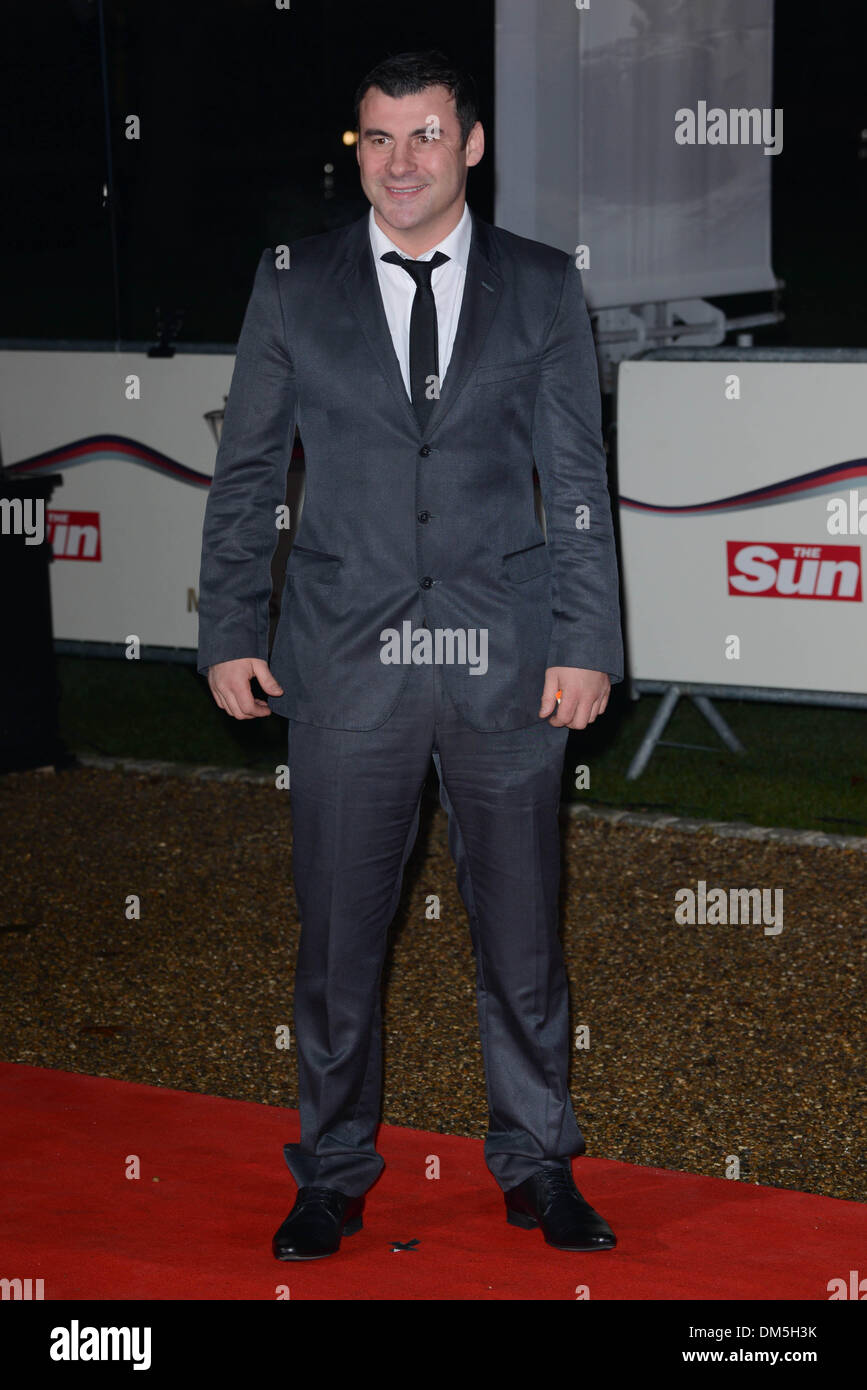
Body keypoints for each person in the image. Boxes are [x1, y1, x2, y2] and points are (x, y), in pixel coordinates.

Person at [197, 50, 624, 1261]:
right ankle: (330, 1172)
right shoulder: (294, 284)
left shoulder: (541, 288)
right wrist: (230, 625)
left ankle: (541, 1164)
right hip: (344, 664)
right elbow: (246, 475)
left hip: (509, 658)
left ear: (471, 146)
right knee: (337, 940)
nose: (399, 163)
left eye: (425, 136)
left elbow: (579, 485)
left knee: (525, 939)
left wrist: (589, 639)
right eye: (377, 140)